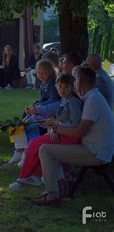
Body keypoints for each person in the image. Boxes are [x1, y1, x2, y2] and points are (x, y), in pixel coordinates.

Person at [33, 66, 114, 206]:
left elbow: (78, 132)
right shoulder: (93, 97)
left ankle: (52, 194)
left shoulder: (93, 100)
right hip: (96, 149)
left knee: (45, 150)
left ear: (80, 82)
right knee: (51, 146)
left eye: (75, 80)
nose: (74, 83)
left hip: (96, 152)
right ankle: (60, 184)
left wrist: (55, 128)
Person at [8, 74, 82, 191]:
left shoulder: (72, 102)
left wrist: (56, 126)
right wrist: (54, 126)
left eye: (66, 87)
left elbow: (75, 123)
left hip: (68, 137)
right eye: (60, 86)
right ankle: (33, 175)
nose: (62, 90)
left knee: (34, 144)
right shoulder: (65, 101)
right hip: (61, 134)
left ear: (72, 88)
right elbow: (63, 120)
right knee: (35, 142)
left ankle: (25, 177)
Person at [8, 60, 60, 166]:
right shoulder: (43, 84)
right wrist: (36, 105)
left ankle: (26, 153)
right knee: (16, 124)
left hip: (49, 113)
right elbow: (42, 99)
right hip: (42, 110)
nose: (41, 75)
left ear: (50, 72)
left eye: (44, 73)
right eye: (39, 72)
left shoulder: (53, 84)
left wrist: (38, 107)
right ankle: (18, 150)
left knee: (29, 125)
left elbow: (54, 100)